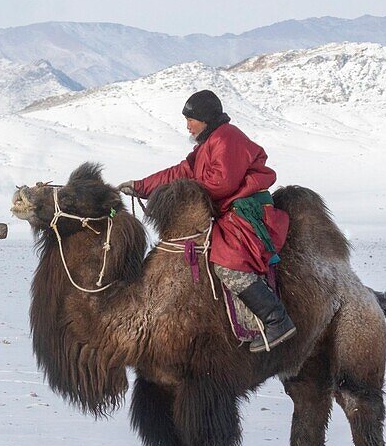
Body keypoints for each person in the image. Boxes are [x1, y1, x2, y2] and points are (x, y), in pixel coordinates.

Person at [119, 90, 295, 352]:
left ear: (206, 118)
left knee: (229, 264)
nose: (187, 126)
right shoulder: (207, 144)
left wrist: (179, 194)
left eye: (191, 119)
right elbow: (181, 172)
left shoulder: (227, 138)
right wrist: (142, 186)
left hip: (245, 212)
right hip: (227, 211)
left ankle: (276, 320)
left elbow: (221, 184)